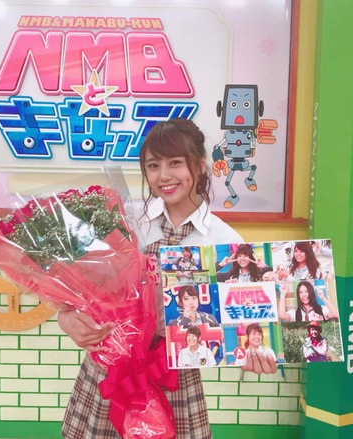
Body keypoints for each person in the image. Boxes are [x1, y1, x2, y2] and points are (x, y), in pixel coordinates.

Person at [58, 118, 270, 439]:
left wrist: (252, 350)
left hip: (173, 372)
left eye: (175, 163)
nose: (164, 175)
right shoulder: (127, 219)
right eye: (153, 165)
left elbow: (242, 321)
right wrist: (66, 315)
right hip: (112, 365)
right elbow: (80, 282)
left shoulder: (225, 241)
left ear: (200, 164)